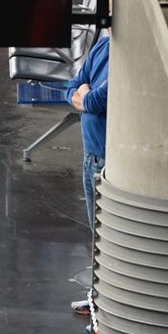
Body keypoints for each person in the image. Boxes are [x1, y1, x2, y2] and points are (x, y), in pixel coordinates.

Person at [68, 33, 109, 316]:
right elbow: (70, 87)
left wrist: (84, 94)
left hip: (107, 162)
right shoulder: (104, 46)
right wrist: (82, 93)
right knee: (97, 235)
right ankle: (98, 297)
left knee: (107, 238)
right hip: (90, 155)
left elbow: (96, 100)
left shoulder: (129, 56)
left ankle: (105, 303)